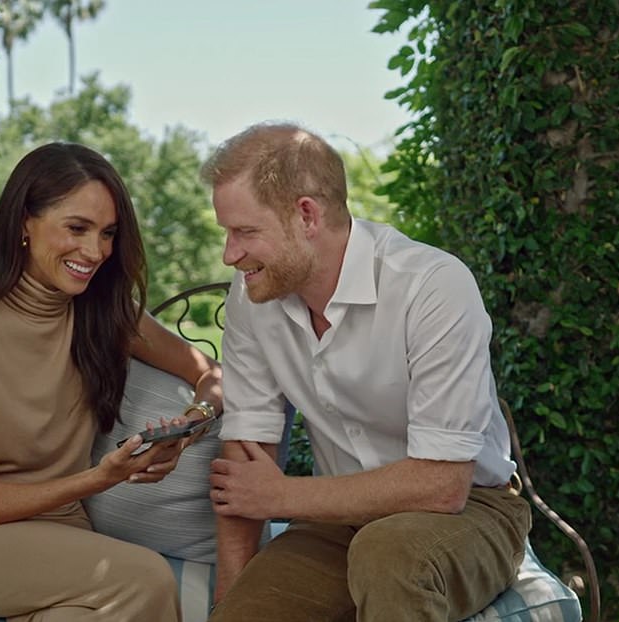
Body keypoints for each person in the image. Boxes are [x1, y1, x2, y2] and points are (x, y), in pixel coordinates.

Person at [201, 122, 532, 622]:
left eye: (245, 232)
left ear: (306, 215)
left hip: (472, 511)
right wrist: (229, 600)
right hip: (334, 522)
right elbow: (247, 461)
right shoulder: (253, 296)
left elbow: (442, 485)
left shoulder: (432, 286)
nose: (230, 254)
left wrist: (285, 495)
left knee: (389, 555)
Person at [0, 142, 223, 622]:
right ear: (24, 224)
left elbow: (210, 373)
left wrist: (192, 424)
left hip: (57, 527)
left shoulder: (106, 313)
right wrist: (100, 478)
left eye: (108, 233)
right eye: (77, 228)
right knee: (145, 578)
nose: (95, 251)